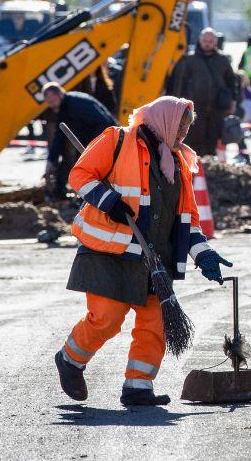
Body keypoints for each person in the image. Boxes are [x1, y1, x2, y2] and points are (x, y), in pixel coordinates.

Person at [55, 97, 234, 406]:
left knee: (156, 325)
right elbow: (80, 175)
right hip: (109, 251)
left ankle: (138, 386)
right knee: (106, 319)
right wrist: (107, 200)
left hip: (154, 260)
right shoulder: (117, 140)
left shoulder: (178, 163)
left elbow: (186, 218)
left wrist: (202, 254)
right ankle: (70, 359)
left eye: (187, 128)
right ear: (163, 121)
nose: (184, 135)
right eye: (180, 127)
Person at [167, 27, 240, 156]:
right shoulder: (189, 59)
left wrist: (233, 101)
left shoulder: (223, 60)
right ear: (200, 40)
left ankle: (208, 171)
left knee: (213, 141)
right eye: (205, 40)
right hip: (194, 110)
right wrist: (177, 106)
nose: (207, 43)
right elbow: (179, 84)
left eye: (211, 40)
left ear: (215, 42)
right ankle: (194, 172)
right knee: (193, 142)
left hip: (216, 109)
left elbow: (232, 81)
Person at [43, 83, 118, 199]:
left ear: (59, 94)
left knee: (91, 169)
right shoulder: (65, 107)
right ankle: (60, 193)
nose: (51, 105)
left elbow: (103, 122)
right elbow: (60, 135)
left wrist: (93, 147)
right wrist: (51, 160)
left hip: (105, 137)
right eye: (49, 103)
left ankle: (101, 195)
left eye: (52, 101)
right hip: (93, 138)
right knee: (77, 163)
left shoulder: (76, 104)